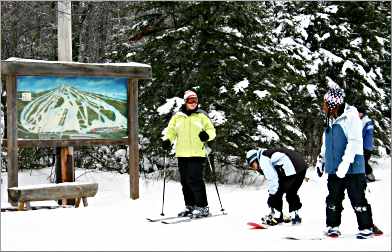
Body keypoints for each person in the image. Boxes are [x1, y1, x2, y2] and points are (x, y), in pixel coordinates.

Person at [315, 87, 382, 239]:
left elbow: (354, 142)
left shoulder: (351, 117)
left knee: (357, 198)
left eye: (326, 103)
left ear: (334, 104)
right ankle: (332, 226)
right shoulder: (329, 117)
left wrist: (345, 165)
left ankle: (366, 227)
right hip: (334, 167)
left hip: (353, 168)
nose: (323, 106)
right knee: (333, 199)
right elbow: (326, 142)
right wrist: (321, 160)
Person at [162, 90, 216, 218]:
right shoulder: (177, 117)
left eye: (195, 100)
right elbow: (171, 131)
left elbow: (212, 131)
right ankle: (190, 206)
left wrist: (206, 135)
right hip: (182, 153)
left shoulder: (201, 116)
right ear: (185, 102)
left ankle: (202, 207)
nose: (193, 103)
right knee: (185, 182)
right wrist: (167, 140)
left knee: (195, 180)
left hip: (197, 153)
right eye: (190, 101)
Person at [245, 147, 308, 225]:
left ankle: (276, 216)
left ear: (255, 159)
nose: (253, 168)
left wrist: (272, 196)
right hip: (302, 166)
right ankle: (295, 216)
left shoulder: (263, 159)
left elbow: (273, 180)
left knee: (277, 191)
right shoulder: (268, 153)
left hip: (292, 168)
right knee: (292, 192)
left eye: (252, 165)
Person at [357, 106, 376, 182]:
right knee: (364, 161)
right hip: (368, 145)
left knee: (363, 162)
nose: (358, 114)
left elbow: (361, 134)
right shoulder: (368, 121)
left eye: (359, 113)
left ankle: (370, 176)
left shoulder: (364, 121)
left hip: (365, 146)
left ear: (362, 113)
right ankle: (368, 175)